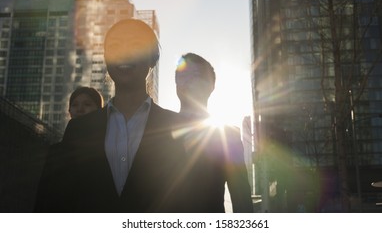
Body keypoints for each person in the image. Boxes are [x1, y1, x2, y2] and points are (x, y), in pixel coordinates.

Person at [35, 19, 186, 212]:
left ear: (152, 58)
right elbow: (53, 204)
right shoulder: (78, 130)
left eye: (136, 46)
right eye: (115, 47)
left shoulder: (179, 127)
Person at [174, 52, 253, 213]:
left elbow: (242, 202)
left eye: (195, 75)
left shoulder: (228, 137)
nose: (186, 81)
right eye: (182, 75)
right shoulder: (153, 129)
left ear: (211, 86)